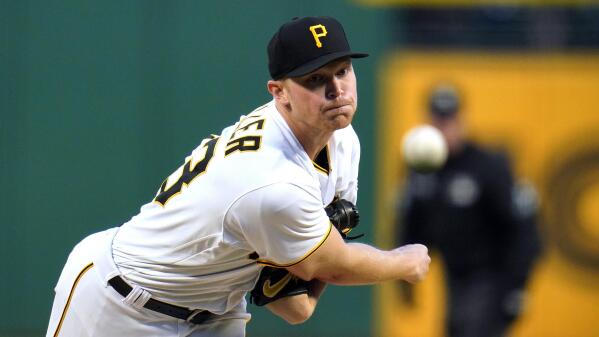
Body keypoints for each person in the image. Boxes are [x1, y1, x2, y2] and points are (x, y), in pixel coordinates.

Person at [47, 16, 431, 337]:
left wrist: (306, 262)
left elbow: (294, 306)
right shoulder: (272, 180)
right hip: (119, 303)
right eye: (315, 79)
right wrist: (403, 262)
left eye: (343, 71)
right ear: (279, 92)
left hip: (218, 312)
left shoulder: (343, 141)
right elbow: (329, 268)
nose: (336, 89)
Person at [396, 84, 541, 337]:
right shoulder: (422, 170)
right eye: (437, 120)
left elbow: (522, 229)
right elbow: (412, 225)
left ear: (461, 120)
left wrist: (517, 287)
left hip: (492, 274)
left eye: (449, 120)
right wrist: (402, 277)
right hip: (454, 274)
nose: (444, 128)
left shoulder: (487, 166)